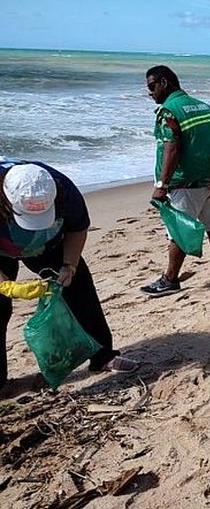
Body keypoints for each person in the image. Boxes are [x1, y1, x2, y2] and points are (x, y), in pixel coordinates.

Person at [0, 158, 137, 389]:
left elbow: (77, 228)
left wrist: (69, 265)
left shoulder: (63, 189)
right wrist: (5, 285)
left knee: (79, 288)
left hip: (49, 245)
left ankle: (103, 356)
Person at [141, 65, 210, 297]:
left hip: (185, 183)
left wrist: (161, 185)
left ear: (164, 83)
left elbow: (172, 148)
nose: (150, 93)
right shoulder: (203, 106)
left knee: (179, 231)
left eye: (152, 87)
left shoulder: (169, 111)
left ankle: (170, 279)